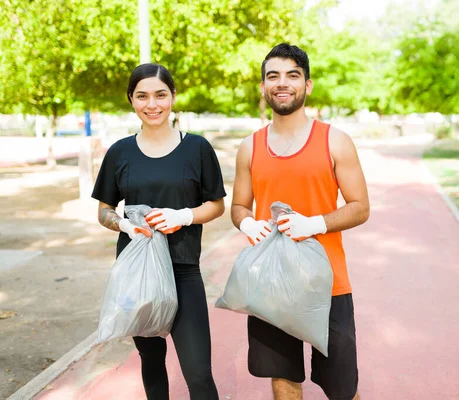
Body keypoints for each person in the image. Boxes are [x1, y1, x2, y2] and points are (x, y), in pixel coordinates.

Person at [230, 43, 370, 400]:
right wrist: (247, 224)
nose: (282, 83)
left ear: (307, 85)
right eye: (273, 76)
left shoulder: (335, 141)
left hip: (329, 282)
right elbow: (239, 207)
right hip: (271, 285)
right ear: (263, 86)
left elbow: (360, 207)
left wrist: (316, 224)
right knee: (283, 379)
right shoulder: (250, 146)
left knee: (342, 388)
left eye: (293, 75)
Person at [92, 63, 225, 400]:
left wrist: (184, 216)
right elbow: (104, 211)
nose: (152, 104)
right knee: (151, 362)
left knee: (198, 374)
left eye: (160, 95)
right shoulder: (120, 152)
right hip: (139, 274)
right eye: (142, 96)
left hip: (183, 270)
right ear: (132, 100)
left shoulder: (197, 148)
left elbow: (216, 205)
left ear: (173, 97)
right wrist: (124, 224)